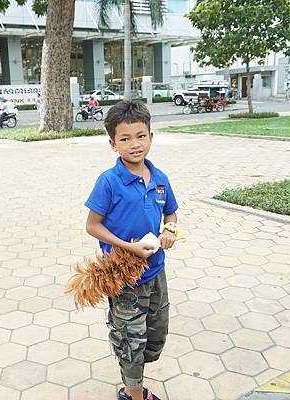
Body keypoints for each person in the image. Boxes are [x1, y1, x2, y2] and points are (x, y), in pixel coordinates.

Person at [84, 100, 179, 400]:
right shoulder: (109, 182)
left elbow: (172, 214)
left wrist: (171, 232)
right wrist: (129, 248)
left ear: (151, 136)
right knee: (130, 340)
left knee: (155, 335)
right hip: (123, 276)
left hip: (156, 272)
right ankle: (133, 394)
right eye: (125, 139)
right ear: (113, 144)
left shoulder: (160, 179)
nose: (134, 145)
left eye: (141, 136)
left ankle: (134, 381)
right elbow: (92, 225)